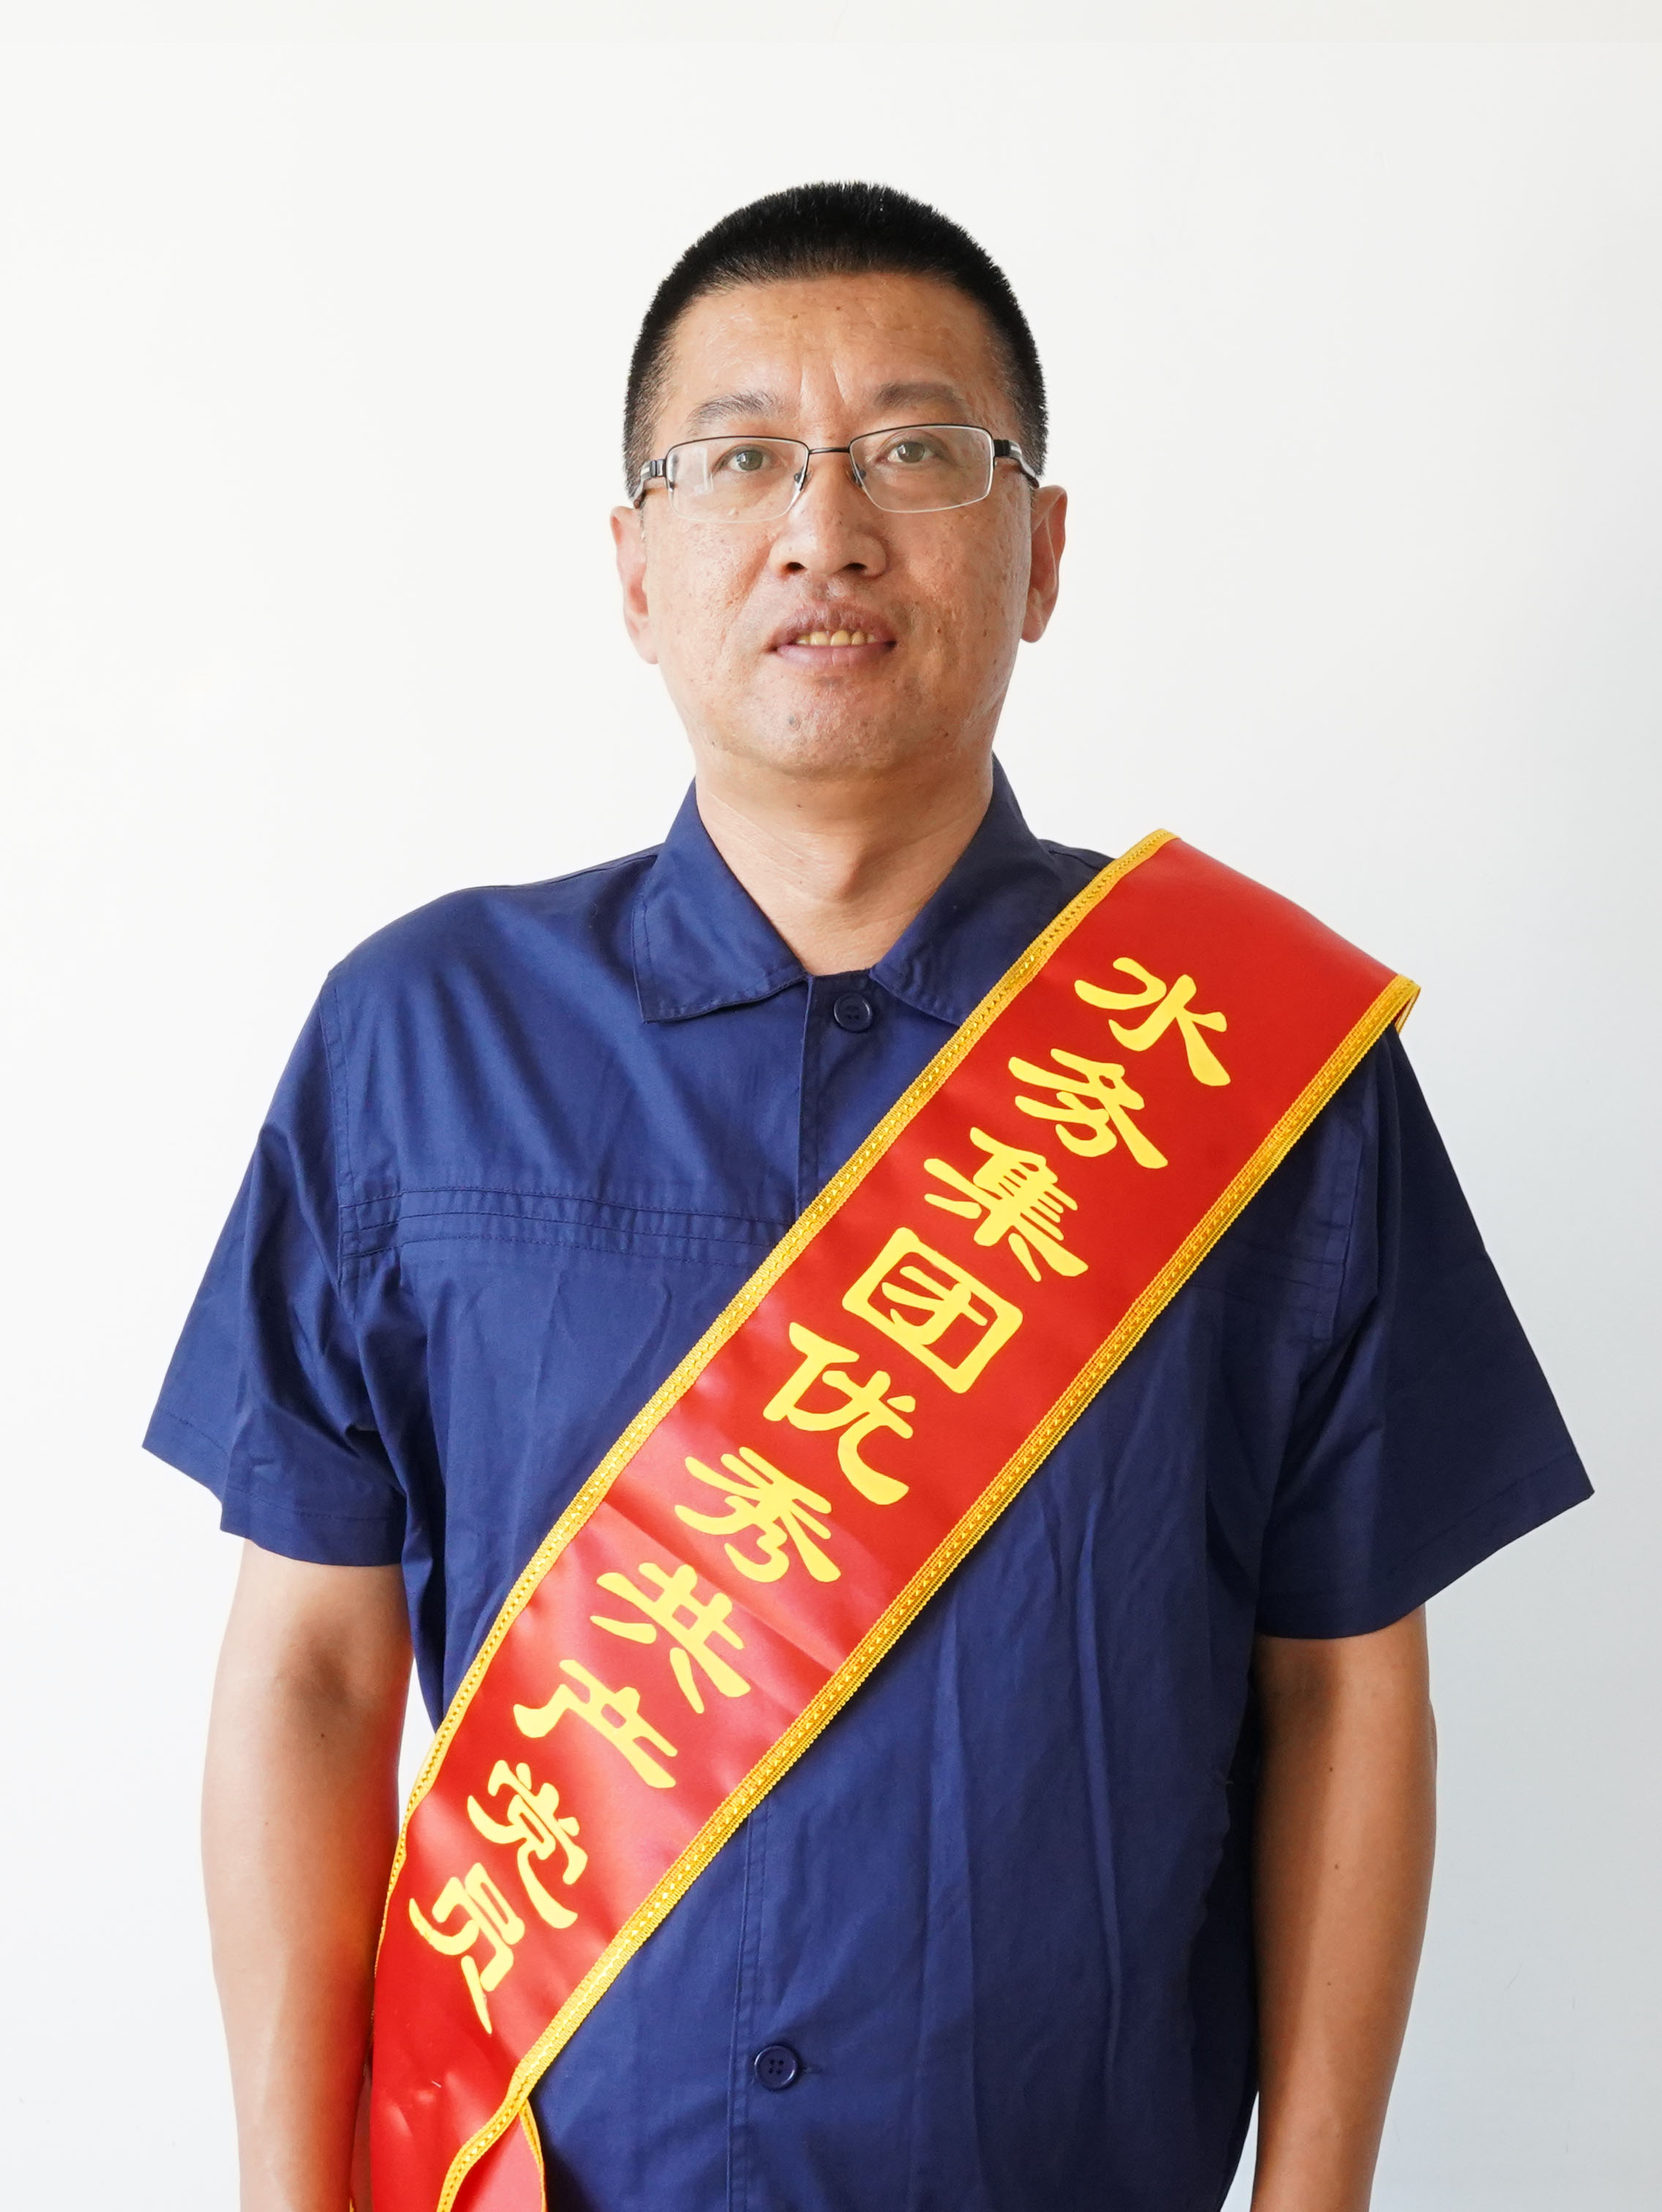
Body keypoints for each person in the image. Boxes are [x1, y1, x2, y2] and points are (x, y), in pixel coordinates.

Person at [147, 181, 1590, 2212]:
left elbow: (1346, 1677)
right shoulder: (419, 1036)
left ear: (1043, 549)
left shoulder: (1250, 1061)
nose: (824, 528)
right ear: (636, 567)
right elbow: (308, 1667)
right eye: (740, 458)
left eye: (917, 450)